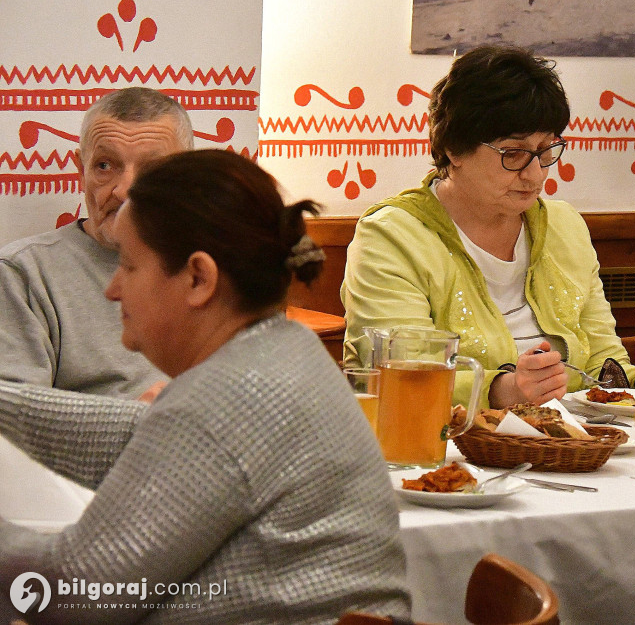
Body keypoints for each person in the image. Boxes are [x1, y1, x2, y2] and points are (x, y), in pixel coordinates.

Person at [0, 150, 410, 623]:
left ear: (198, 278)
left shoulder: (228, 395)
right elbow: (141, 436)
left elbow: (76, 597)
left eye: (129, 266)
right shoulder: (281, 349)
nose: (113, 289)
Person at [343, 44, 635, 409]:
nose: (534, 173)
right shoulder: (392, 236)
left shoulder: (564, 225)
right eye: (513, 153)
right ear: (451, 149)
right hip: (448, 442)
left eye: (546, 151)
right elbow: (400, 378)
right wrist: (505, 391)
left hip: (568, 438)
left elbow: (600, 356)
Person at [0, 87, 191, 399]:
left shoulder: (212, 265)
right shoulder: (23, 272)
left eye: (152, 169)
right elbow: (12, 417)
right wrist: (132, 417)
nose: (125, 190)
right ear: (81, 170)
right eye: (105, 165)